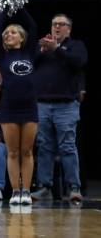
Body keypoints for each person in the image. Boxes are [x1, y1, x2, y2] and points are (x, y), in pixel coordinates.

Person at [31, 14, 88, 202]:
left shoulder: (75, 46)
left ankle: (73, 187)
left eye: (61, 25)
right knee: (44, 147)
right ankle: (45, 187)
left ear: (68, 29)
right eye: (54, 24)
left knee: (67, 147)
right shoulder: (43, 47)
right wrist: (43, 50)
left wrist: (57, 49)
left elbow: (79, 62)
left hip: (66, 105)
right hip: (42, 104)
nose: (56, 27)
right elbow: (29, 65)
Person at [0, 6, 38, 205]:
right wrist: (5, 9)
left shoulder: (30, 51)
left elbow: (32, 25)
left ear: (22, 37)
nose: (8, 35)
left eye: (13, 32)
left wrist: (19, 7)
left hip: (30, 107)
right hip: (9, 107)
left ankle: (26, 191)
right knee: (12, 151)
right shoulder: (2, 56)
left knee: (27, 151)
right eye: (6, 33)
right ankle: (15, 191)